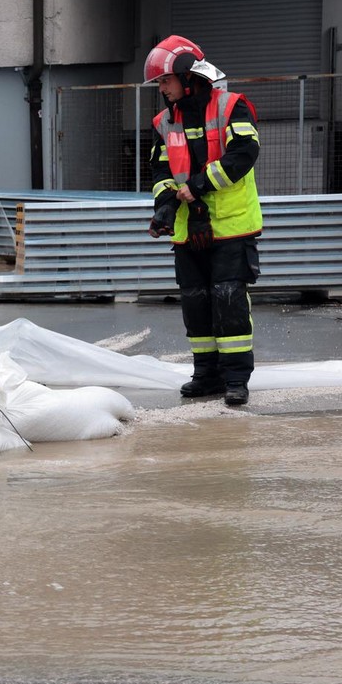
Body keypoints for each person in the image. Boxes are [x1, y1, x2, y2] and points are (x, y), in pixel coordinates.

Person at [144, 35, 262, 406]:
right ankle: (206, 375)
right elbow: (161, 170)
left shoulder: (231, 107)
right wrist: (164, 207)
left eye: (165, 80)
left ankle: (235, 379)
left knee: (228, 300)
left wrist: (197, 186)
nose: (161, 89)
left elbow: (244, 154)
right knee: (196, 303)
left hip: (230, 225)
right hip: (185, 229)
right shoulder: (164, 121)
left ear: (186, 75)